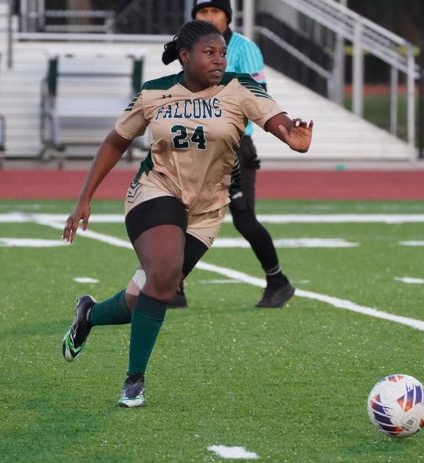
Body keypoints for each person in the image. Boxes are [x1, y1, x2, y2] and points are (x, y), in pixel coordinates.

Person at [61, 20, 313, 408]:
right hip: (155, 190)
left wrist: (292, 136)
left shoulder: (240, 87)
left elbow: (275, 120)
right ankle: (134, 380)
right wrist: (84, 198)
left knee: (144, 296)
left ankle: (88, 315)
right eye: (209, 53)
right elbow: (114, 142)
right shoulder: (153, 93)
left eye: (222, 53)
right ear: (185, 56)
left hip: (207, 210)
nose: (218, 59)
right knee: (163, 280)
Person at [168, 0, 295, 309]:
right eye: (203, 13)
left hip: (234, 145)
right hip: (197, 143)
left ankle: (278, 280)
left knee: (244, 219)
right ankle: (174, 288)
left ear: (227, 16)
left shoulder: (244, 47)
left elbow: (257, 94)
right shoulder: (188, 47)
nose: (209, 18)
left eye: (215, 12)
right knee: (181, 214)